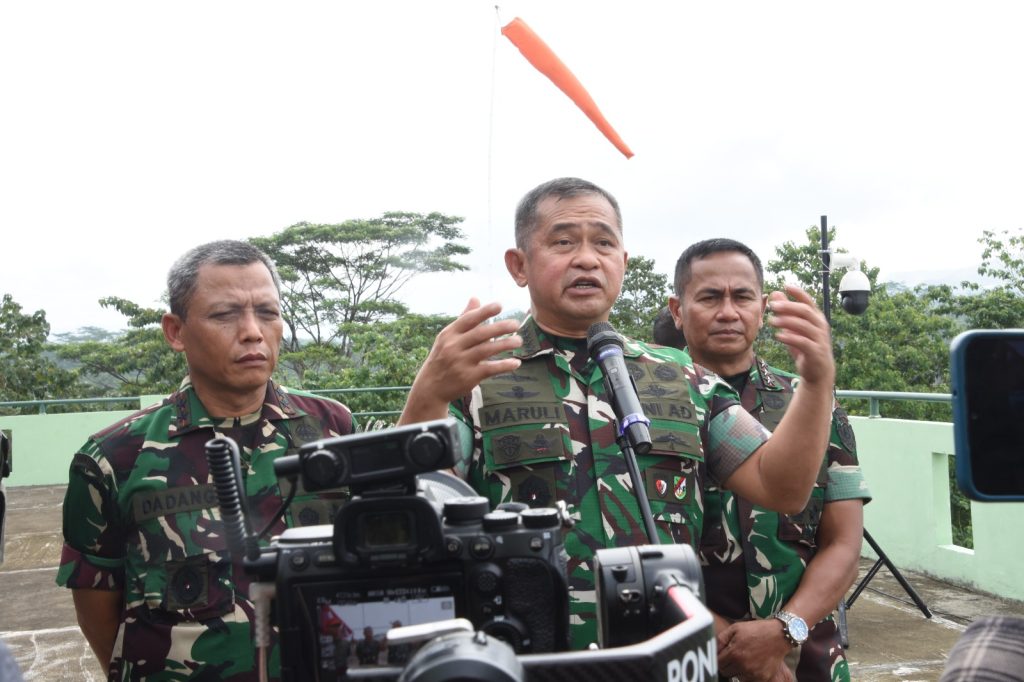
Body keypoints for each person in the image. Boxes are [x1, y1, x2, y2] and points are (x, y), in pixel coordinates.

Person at [399, 177, 838, 649]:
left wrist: (816, 384)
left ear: (623, 263)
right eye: (563, 242)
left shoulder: (681, 377)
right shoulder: (477, 379)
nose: (587, 258)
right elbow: (411, 517)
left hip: (664, 658)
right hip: (529, 658)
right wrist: (426, 397)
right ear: (519, 265)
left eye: (604, 243)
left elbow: (782, 488)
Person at [56, 240, 356, 681]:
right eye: (225, 315)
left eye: (267, 312)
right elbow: (97, 606)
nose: (252, 331)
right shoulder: (114, 458)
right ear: (176, 331)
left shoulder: (333, 428)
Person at [667, 238, 870, 682]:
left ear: (761, 309)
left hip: (804, 656)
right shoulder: (644, 408)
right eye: (709, 297)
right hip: (688, 653)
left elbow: (843, 543)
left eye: (742, 297)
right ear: (677, 310)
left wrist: (782, 633)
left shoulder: (814, 405)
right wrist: (732, 646)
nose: (728, 312)